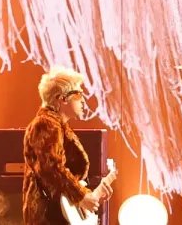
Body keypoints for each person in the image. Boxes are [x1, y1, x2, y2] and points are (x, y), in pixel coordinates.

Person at [22, 66, 114, 224]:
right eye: (78, 94)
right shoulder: (46, 124)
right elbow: (51, 167)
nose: (83, 100)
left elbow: (62, 175)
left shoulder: (56, 125)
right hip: (49, 216)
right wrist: (81, 195)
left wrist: (90, 194)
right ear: (62, 98)